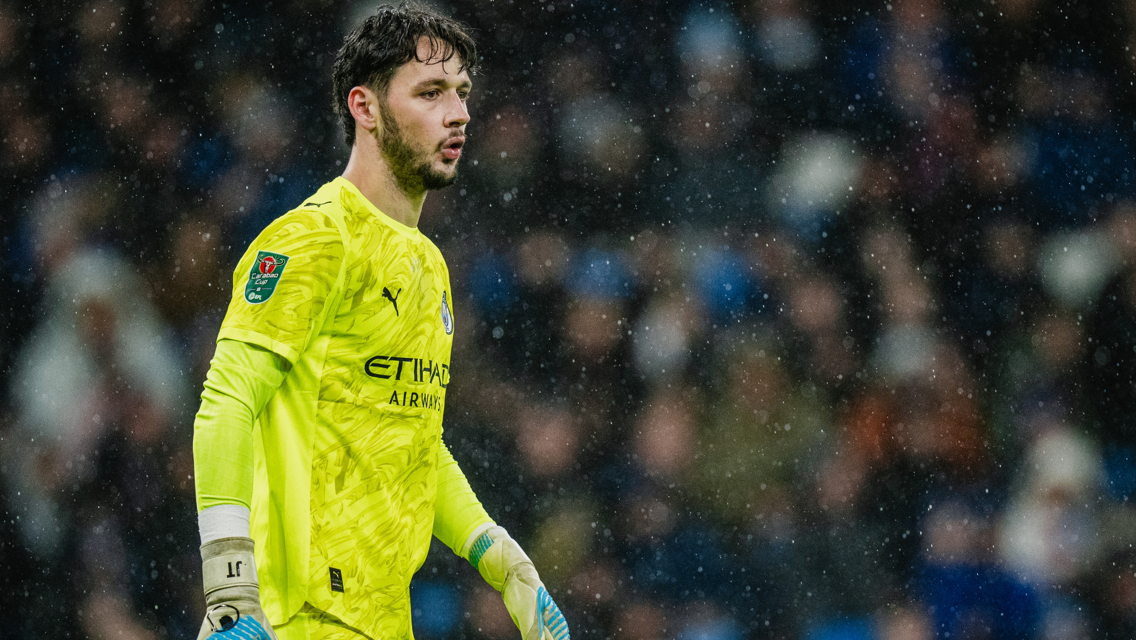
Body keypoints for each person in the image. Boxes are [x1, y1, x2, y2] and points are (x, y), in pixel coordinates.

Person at [190, 6, 570, 640]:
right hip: (288, 621)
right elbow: (225, 404)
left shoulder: (429, 266)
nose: (459, 114)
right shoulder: (313, 240)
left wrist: (500, 556)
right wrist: (230, 592)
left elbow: (411, 437)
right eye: (430, 93)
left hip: (384, 623)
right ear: (364, 108)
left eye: (462, 93)